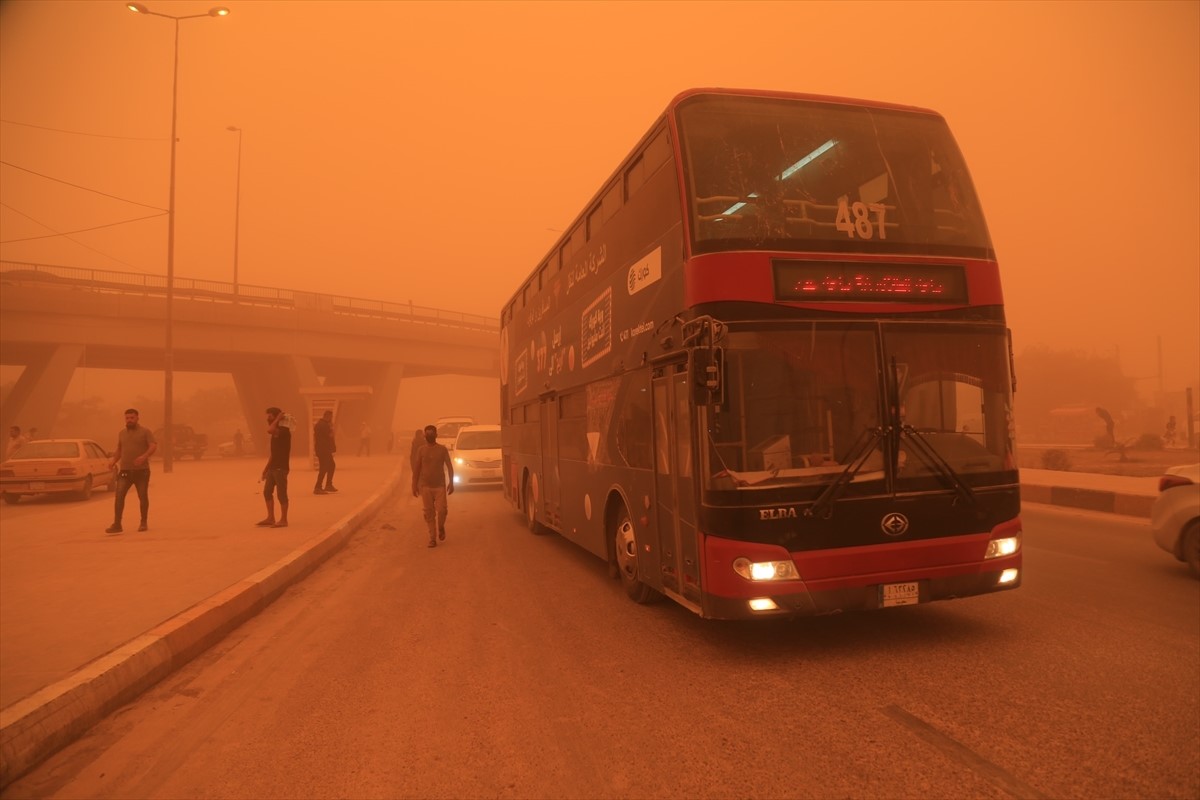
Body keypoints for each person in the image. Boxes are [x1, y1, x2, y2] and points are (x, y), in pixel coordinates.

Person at [106, 409, 157, 534]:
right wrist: (113, 461)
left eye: (132, 418)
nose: (129, 420)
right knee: (119, 497)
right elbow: (119, 449)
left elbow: (153, 445)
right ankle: (117, 524)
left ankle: (143, 522)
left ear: (137, 418)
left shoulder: (145, 432)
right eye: (127, 418)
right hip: (125, 471)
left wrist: (144, 457)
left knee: (142, 496)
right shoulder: (122, 433)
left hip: (141, 471)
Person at [411, 424, 454, 548]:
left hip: (439, 486)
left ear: (436, 435)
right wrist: (414, 485)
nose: (429, 435)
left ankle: (441, 527)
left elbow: (449, 467)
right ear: (425, 436)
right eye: (427, 434)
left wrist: (451, 482)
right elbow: (417, 469)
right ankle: (432, 538)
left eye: (431, 433)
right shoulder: (421, 450)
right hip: (425, 486)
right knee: (429, 513)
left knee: (442, 511)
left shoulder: (442, 449)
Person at [257, 407, 292, 528]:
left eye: (270, 416)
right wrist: (266, 468)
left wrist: (277, 419)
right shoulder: (277, 431)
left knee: (281, 494)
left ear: (277, 417)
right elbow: (273, 453)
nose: (268, 418)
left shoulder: (283, 431)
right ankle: (270, 518)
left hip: (281, 468)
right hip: (273, 468)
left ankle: (284, 520)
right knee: (267, 492)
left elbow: (269, 429)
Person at [313, 410, 338, 494]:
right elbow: (330, 435)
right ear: (327, 416)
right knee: (324, 468)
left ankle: (328, 485)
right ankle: (318, 487)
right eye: (331, 417)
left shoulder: (319, 424)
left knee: (331, 465)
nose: (332, 418)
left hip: (321, 449)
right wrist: (331, 428)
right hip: (324, 449)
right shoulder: (324, 425)